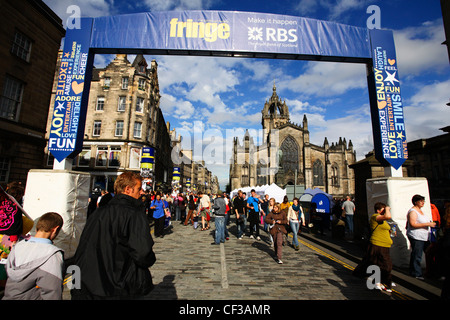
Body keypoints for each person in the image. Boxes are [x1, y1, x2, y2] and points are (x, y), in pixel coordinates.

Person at [71, 171, 156, 300]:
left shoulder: (98, 212)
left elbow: (83, 246)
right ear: (128, 189)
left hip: (89, 284)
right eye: (139, 189)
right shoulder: (134, 214)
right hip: (118, 286)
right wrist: (150, 259)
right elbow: (142, 253)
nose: (142, 192)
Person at [3, 212, 64, 300]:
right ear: (55, 229)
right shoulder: (52, 255)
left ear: (36, 228)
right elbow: (52, 291)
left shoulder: (18, 247)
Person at [353, 203, 394, 292]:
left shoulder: (383, 220)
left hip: (385, 245)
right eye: (383, 210)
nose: (385, 211)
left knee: (378, 264)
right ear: (378, 210)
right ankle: (380, 282)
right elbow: (388, 216)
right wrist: (387, 209)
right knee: (386, 265)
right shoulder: (375, 217)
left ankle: (380, 282)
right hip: (377, 244)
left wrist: (390, 232)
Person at [406, 194, 436, 280]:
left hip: (425, 236)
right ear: (416, 202)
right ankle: (416, 273)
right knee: (417, 254)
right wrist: (428, 224)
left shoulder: (421, 211)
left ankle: (429, 272)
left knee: (429, 253)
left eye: (423, 201)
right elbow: (413, 224)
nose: (423, 203)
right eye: (421, 201)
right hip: (416, 236)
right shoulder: (413, 211)